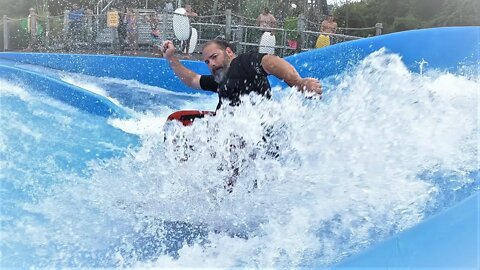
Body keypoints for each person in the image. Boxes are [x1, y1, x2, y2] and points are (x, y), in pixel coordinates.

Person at [162, 39, 321, 110]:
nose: (211, 64)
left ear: (229, 52)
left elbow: (270, 62)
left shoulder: (243, 63)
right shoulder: (221, 80)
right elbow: (192, 79)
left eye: (214, 57)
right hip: (229, 132)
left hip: (253, 136)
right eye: (207, 62)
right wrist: (170, 59)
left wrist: (298, 82)